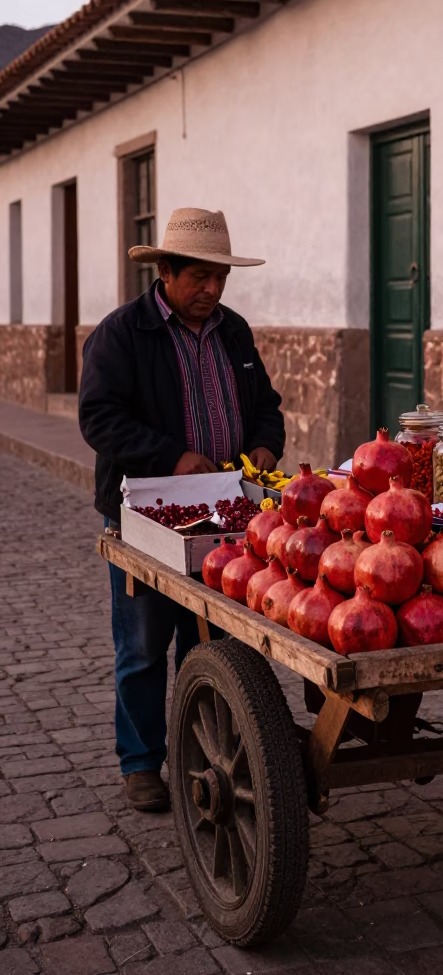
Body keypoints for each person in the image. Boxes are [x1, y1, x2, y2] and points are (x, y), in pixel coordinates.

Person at [79, 207, 284, 811]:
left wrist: (264, 447)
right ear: (165, 271)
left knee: (221, 643)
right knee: (142, 645)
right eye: (199, 277)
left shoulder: (234, 331)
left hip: (226, 520)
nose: (212, 290)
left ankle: (214, 752)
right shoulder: (122, 334)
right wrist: (173, 457)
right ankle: (142, 762)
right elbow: (100, 418)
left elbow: (265, 405)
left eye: (220, 278)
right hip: (145, 516)